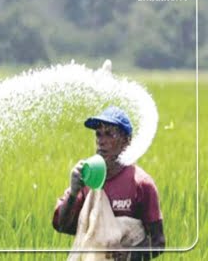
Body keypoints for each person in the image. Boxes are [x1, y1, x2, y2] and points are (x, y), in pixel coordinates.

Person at [52, 106, 165, 260]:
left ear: (126, 141)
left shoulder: (141, 184)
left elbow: (158, 242)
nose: (101, 141)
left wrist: (130, 255)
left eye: (109, 134)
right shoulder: (86, 179)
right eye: (98, 134)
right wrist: (73, 193)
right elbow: (62, 226)